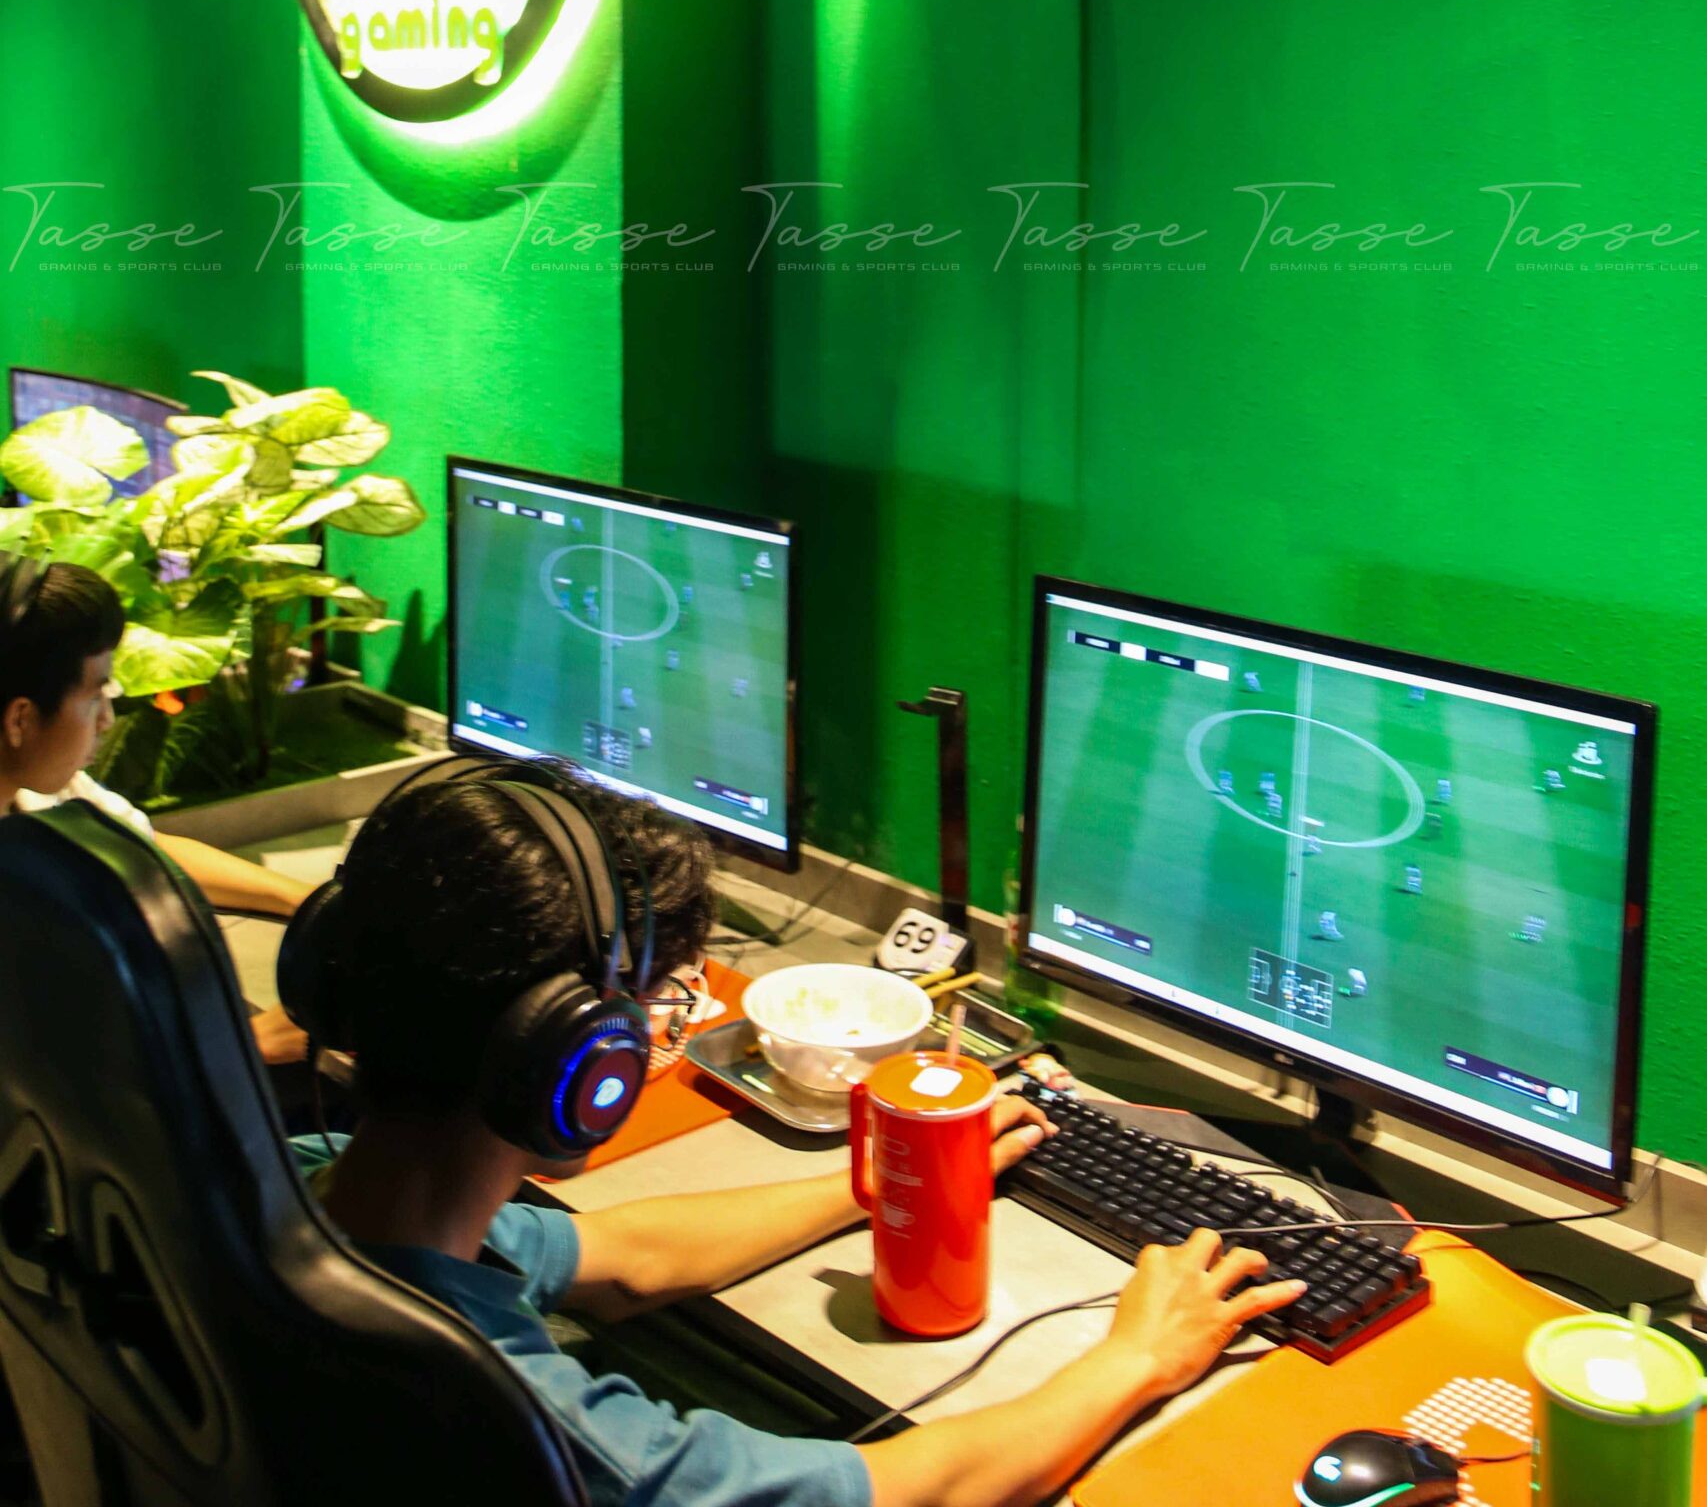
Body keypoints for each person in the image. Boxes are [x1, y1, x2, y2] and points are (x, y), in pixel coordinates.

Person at [294, 764, 1304, 1507]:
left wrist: (876, 1182)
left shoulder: (315, 1190)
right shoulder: (539, 1429)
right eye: (659, 1004)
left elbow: (623, 1259)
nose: (660, 1034)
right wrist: (1138, 1357)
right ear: (580, 1056)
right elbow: (922, 1487)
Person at [0, 554, 314, 1060]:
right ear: (20, 720)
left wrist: (310, 901)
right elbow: (49, 1066)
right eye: (96, 696)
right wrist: (251, 1044)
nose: (107, 720)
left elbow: (140, 849)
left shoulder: (40, 786)